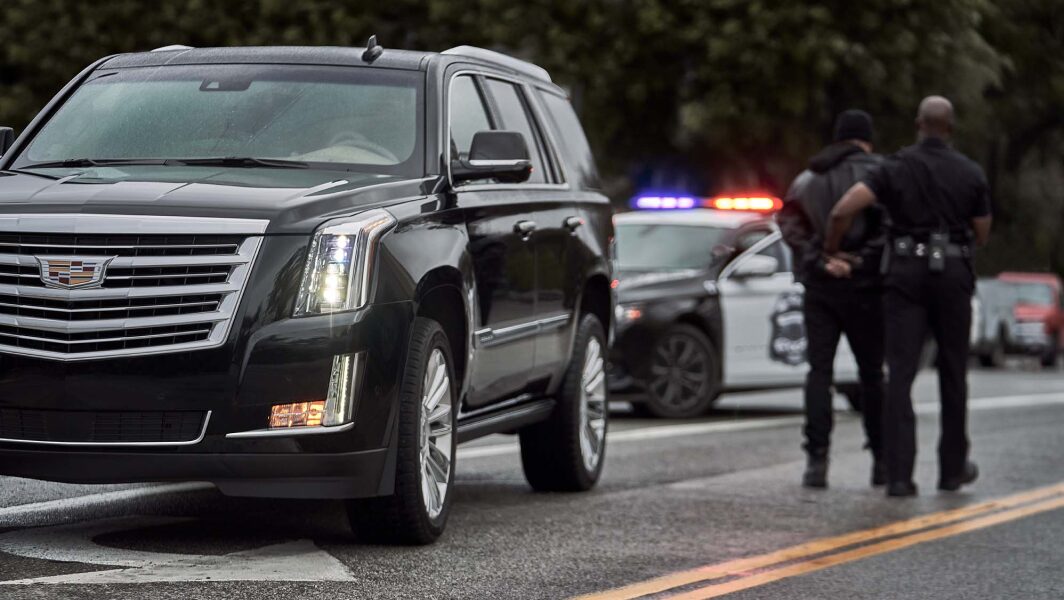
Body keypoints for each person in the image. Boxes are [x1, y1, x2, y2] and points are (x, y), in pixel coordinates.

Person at [825, 96, 992, 498]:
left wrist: (833, 247)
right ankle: (952, 471)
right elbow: (982, 231)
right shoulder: (970, 173)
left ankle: (899, 476)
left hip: (905, 274)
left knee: (900, 374)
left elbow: (843, 208)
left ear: (919, 124)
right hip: (952, 274)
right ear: (949, 128)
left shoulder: (893, 166)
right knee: (954, 373)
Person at [778, 109, 887, 489]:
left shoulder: (807, 178)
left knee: (818, 373)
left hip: (819, 287)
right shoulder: (880, 174)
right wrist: (857, 262)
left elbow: (788, 224)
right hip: (865, 289)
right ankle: (881, 460)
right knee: (872, 375)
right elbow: (889, 228)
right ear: (866, 139)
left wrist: (820, 258)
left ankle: (816, 461)